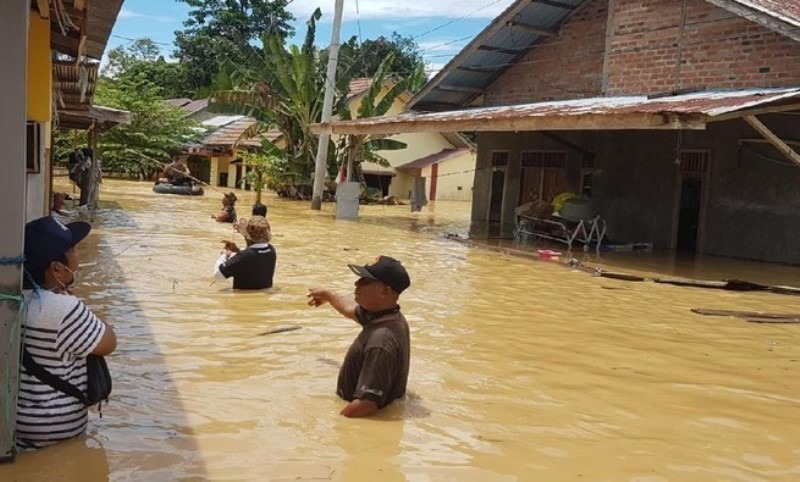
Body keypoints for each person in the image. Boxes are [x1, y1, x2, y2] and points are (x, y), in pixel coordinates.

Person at [17, 216, 117, 449]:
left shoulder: (14, 299)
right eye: (73, 250)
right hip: (56, 429)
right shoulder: (64, 308)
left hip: (17, 421)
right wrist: (76, 304)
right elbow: (108, 343)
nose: (78, 257)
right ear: (57, 269)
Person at [307, 256, 411, 418]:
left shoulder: (381, 340)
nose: (357, 284)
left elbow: (366, 405)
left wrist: (331, 426)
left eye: (366, 281)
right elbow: (349, 309)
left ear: (385, 291)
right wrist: (329, 296)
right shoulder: (386, 316)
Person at [213, 215, 276, 289]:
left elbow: (218, 275)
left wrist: (224, 255)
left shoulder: (243, 257)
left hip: (241, 299)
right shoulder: (271, 250)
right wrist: (238, 251)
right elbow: (254, 256)